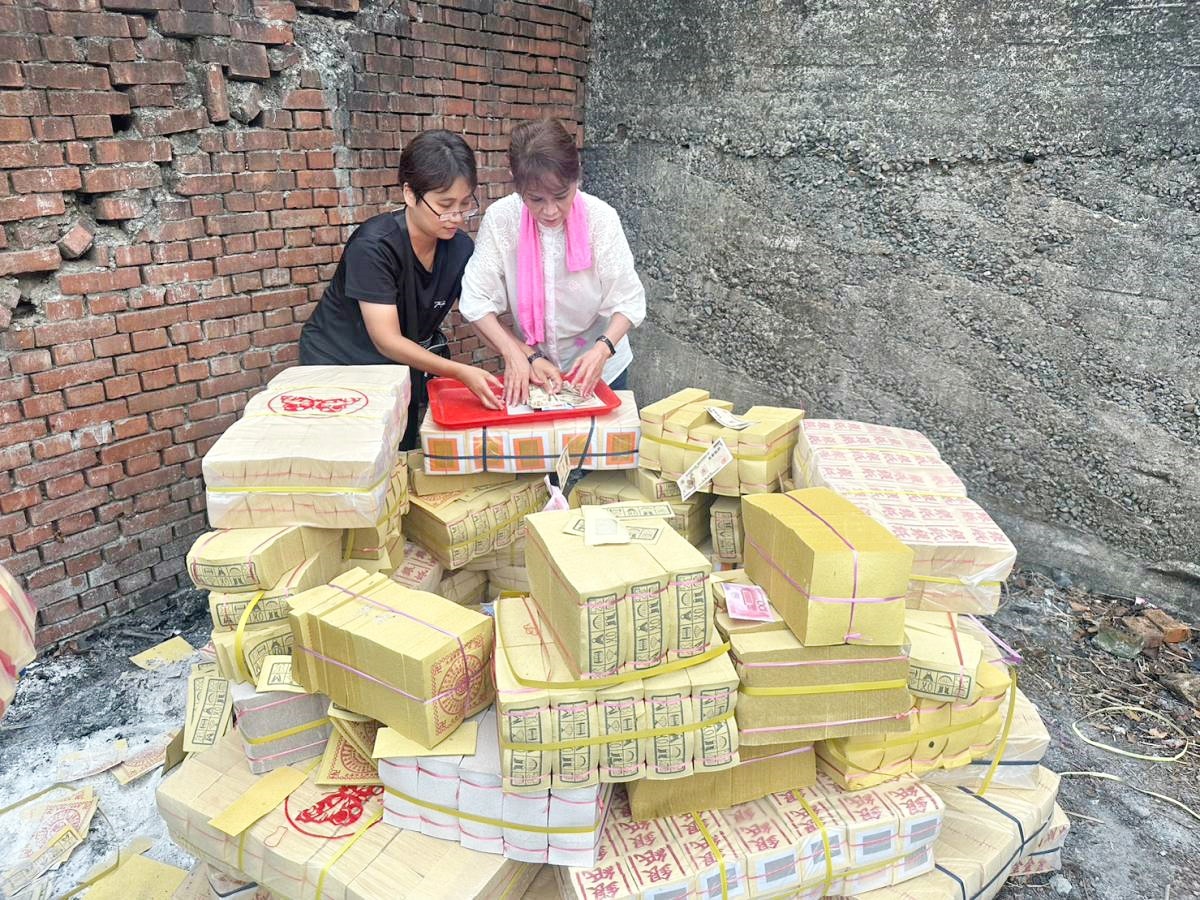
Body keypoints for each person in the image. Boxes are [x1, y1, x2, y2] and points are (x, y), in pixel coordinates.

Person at [298, 129, 503, 448]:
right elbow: (387, 340)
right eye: (445, 205)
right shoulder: (374, 247)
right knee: (356, 461)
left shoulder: (459, 248)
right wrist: (459, 372)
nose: (456, 218)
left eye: (465, 205)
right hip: (340, 367)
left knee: (402, 454)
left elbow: (478, 310)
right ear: (410, 194)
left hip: (398, 369)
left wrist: (522, 357)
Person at [458, 118, 646, 408]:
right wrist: (516, 354)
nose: (549, 211)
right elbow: (476, 300)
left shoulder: (601, 219)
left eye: (561, 196)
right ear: (516, 183)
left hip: (601, 366)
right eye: (535, 199)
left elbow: (629, 300)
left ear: (577, 178)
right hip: (536, 369)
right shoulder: (501, 220)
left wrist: (602, 350)